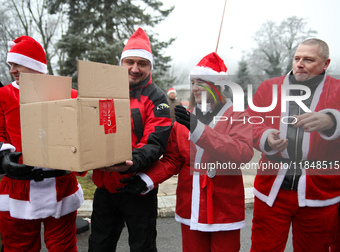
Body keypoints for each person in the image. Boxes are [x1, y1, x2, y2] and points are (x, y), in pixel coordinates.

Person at [119, 52, 254, 252]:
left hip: (224, 206)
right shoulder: (185, 120)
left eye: (203, 82)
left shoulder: (237, 116)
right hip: (191, 204)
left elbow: (242, 152)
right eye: (193, 83)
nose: (196, 88)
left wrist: (199, 129)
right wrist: (146, 179)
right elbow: (173, 159)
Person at [247, 38, 340, 252]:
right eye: (297, 58)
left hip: (320, 191)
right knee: (263, 248)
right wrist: (266, 136)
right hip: (273, 188)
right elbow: (250, 122)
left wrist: (332, 121)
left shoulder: (337, 90)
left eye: (308, 59)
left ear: (326, 64)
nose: (300, 64)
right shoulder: (268, 87)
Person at [88, 27, 172, 252]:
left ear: (150, 66)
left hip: (137, 188)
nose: (135, 69)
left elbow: (155, 142)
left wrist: (131, 163)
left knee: (142, 247)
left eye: (142, 64)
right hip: (105, 187)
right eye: (129, 62)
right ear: (121, 64)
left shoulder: (157, 98)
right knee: (98, 245)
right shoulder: (103, 92)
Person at [0, 36, 84, 251]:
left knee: (63, 247)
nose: (12, 70)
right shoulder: (3, 96)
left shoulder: (69, 94)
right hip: (18, 189)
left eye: (17, 64)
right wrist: (4, 157)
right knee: (19, 248)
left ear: (33, 64)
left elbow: (83, 135)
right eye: (11, 65)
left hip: (60, 186)